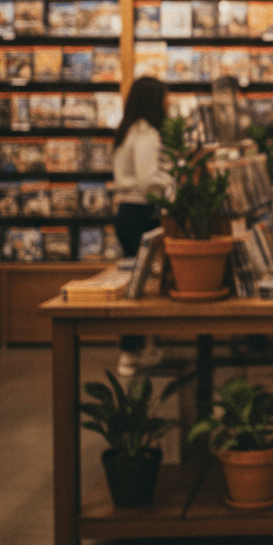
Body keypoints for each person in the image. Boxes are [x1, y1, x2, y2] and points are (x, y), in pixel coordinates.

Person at [112, 76, 170, 376]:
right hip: (141, 213)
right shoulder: (147, 134)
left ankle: (140, 347)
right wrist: (172, 180)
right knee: (138, 287)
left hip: (128, 211)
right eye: (165, 98)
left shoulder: (128, 130)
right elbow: (148, 180)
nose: (169, 103)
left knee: (136, 282)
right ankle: (130, 352)